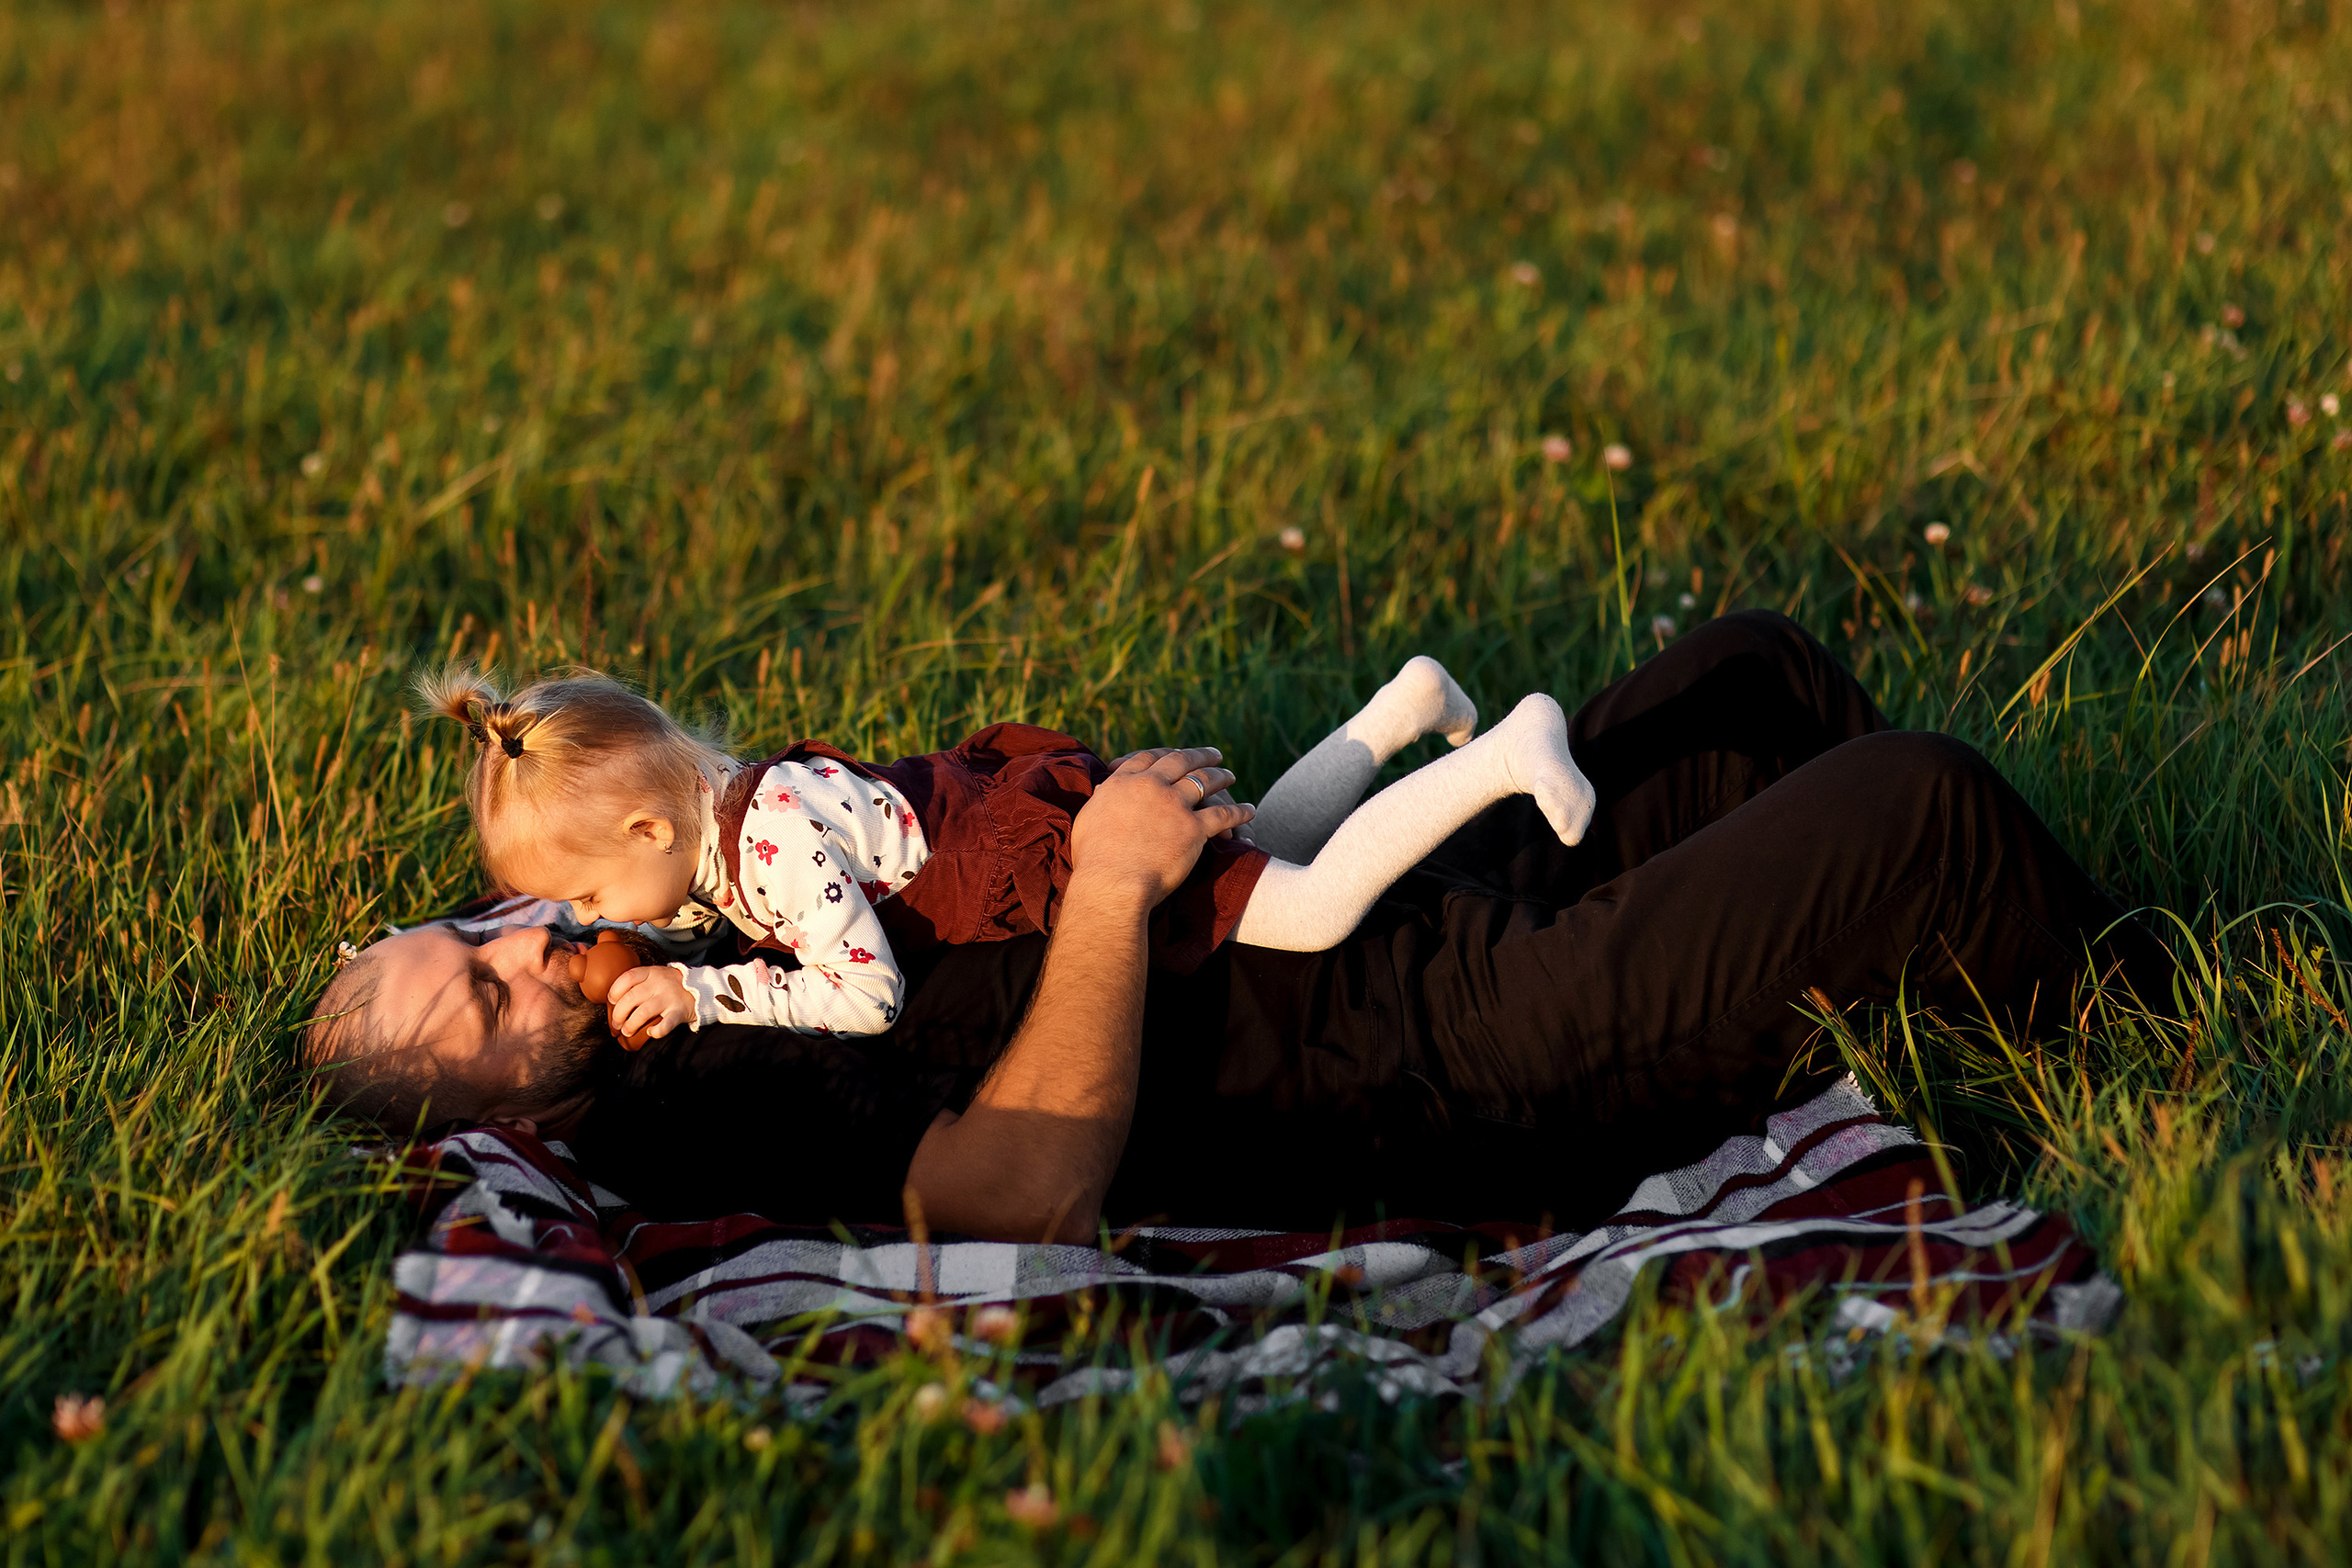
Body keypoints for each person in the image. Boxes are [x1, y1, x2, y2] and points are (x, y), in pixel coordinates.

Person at [306, 612, 2173, 1239]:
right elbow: (1011, 1191)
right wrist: (1114, 884)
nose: (523, 936)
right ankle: (2155, 1039)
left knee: (1748, 679)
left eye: (476, 921)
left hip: (1381, 919)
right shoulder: (698, 1093)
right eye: (481, 987)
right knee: (1916, 802)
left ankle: (1941, 999)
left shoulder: (676, 937)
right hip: (1436, 1051)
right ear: (498, 1108)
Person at [413, 653, 1592, 1043]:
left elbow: (865, 995)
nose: (595, 920)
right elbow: (687, 906)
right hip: (1017, 830)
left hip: (1048, 864)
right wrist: (663, 948)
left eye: (588, 893)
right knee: (1266, 854)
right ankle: (1401, 706)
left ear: (649, 831)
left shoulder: (769, 849)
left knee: (1313, 907)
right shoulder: (722, 820)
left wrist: (706, 994)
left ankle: (1503, 754)